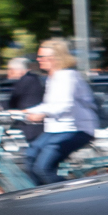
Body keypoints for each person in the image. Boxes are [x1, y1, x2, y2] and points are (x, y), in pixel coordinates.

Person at [21, 39, 97, 185]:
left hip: (76, 129)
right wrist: (25, 111)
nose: (38, 60)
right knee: (30, 157)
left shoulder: (68, 76)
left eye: (42, 57)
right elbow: (49, 104)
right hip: (56, 129)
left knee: (43, 168)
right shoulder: (52, 77)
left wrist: (42, 114)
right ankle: (41, 196)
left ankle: (66, 199)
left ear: (56, 59)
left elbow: (65, 104)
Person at [4, 55, 46, 144]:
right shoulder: (34, 79)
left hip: (29, 122)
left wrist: (2, 107)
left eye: (11, 70)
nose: (9, 73)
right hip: (34, 122)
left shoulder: (25, 80)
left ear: (18, 70)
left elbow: (13, 100)